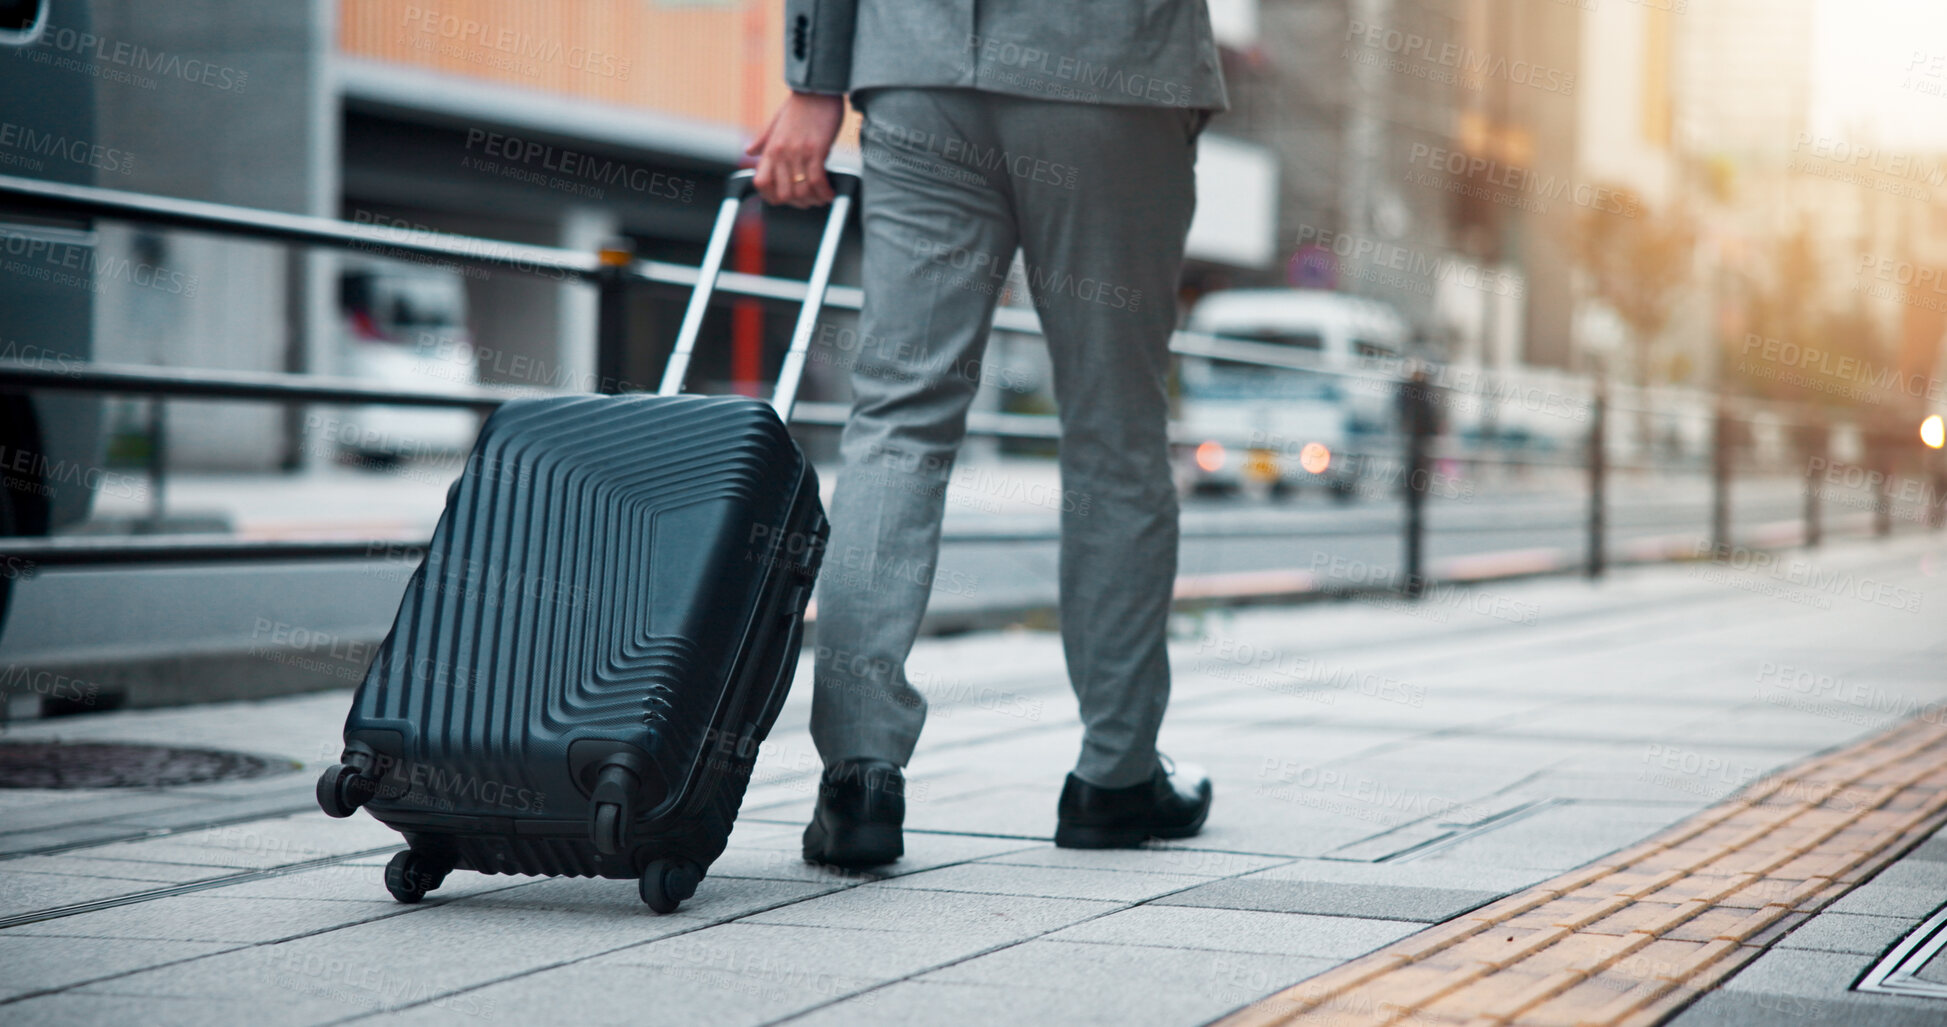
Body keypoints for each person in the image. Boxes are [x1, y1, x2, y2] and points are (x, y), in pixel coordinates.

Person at [748, 0, 1228, 868]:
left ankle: (860, 773)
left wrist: (812, 84)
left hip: (919, 68)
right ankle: (1113, 777)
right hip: (1111, 68)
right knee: (1114, 428)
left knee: (899, 417)